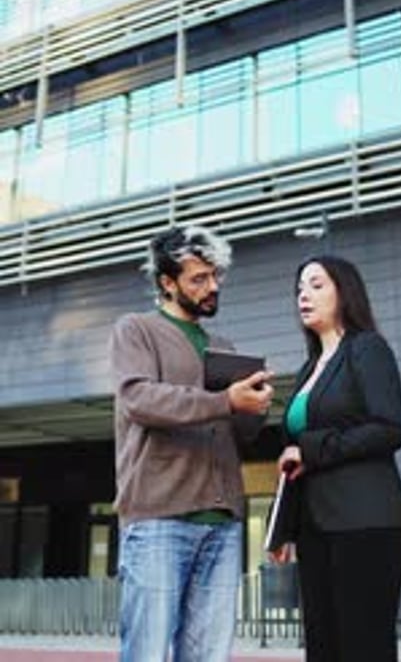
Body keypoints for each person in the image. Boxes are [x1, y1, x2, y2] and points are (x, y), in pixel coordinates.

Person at [110, 224, 273, 662]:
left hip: (224, 523)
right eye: (198, 278)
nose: (212, 286)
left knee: (209, 657)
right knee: (146, 652)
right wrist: (224, 400)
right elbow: (138, 399)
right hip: (158, 518)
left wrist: (253, 408)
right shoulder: (136, 329)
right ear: (167, 283)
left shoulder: (223, 345)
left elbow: (239, 432)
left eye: (215, 275)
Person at [270, 255, 401, 662]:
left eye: (316, 284)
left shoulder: (367, 349)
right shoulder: (308, 369)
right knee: (322, 648)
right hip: (317, 529)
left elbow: (390, 428)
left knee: (362, 648)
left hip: (367, 522)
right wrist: (284, 527)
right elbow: (299, 460)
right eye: (299, 288)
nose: (303, 295)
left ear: (344, 291)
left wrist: (310, 448)